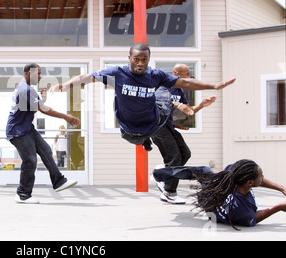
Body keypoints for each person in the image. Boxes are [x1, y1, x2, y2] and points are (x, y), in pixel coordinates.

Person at [50, 42, 235, 148]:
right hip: (129, 129)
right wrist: (65, 85)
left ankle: (166, 125)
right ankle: (148, 139)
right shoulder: (117, 73)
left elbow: (185, 82)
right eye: (136, 59)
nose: (140, 63)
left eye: (144, 60)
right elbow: (87, 77)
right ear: (129, 57)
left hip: (153, 124)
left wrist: (214, 85)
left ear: (148, 59)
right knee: (162, 94)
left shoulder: (154, 75)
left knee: (165, 93)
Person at [6, 63, 80, 204]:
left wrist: (42, 101)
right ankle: (23, 194)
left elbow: (34, 109)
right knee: (30, 160)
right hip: (18, 131)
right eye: (38, 73)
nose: (40, 76)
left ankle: (58, 181)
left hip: (26, 128)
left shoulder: (25, 88)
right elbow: (43, 109)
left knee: (46, 150)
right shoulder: (25, 89)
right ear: (29, 73)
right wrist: (66, 117)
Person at [151, 160, 286, 229]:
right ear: (249, 182)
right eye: (261, 176)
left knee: (204, 171)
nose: (263, 177)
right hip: (211, 202)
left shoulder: (240, 182)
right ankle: (160, 176)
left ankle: (159, 174)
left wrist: (282, 188)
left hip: (213, 199)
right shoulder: (241, 210)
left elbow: (256, 180)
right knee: (203, 171)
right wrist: (278, 207)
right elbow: (253, 218)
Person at [151, 63, 217, 204]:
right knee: (174, 158)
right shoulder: (162, 86)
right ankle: (169, 192)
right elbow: (160, 100)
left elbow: (188, 111)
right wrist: (177, 105)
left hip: (169, 126)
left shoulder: (179, 91)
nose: (189, 78)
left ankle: (163, 173)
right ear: (176, 74)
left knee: (185, 153)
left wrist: (201, 105)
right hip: (157, 127)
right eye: (187, 74)